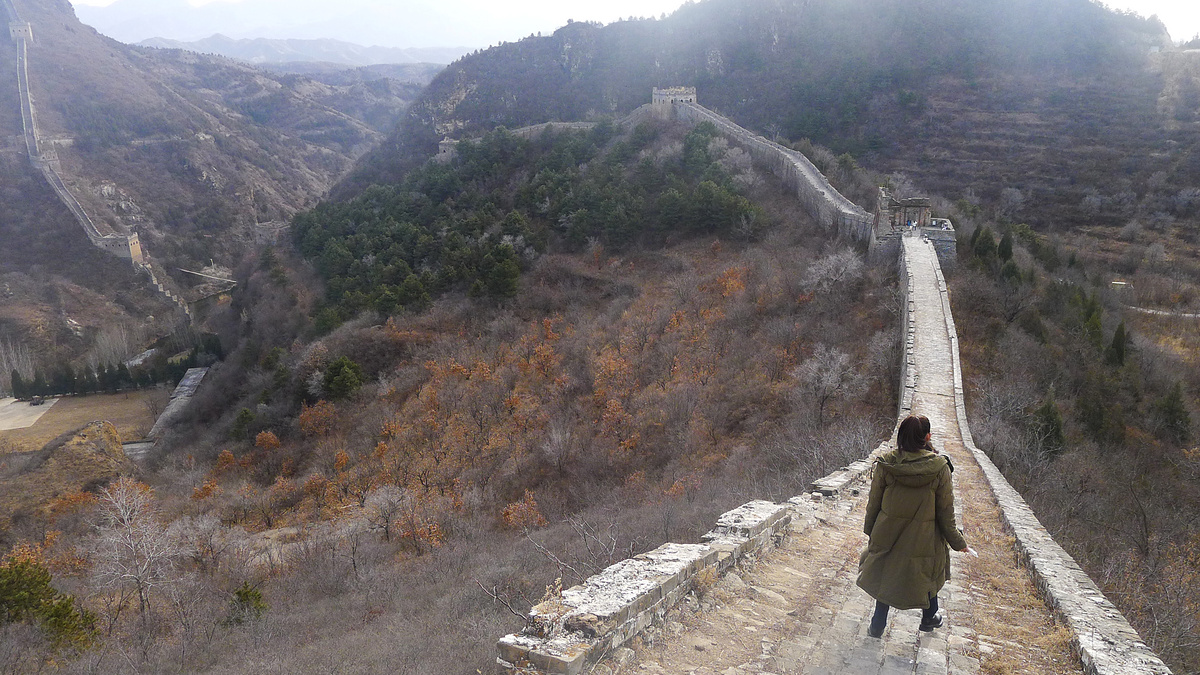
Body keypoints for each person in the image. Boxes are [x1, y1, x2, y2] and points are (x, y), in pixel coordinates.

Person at [857, 415, 972, 638]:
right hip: (924, 538)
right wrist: (959, 543)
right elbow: (946, 514)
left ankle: (878, 624)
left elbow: (874, 504)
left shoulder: (887, 463)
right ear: (928, 437)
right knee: (927, 573)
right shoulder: (940, 468)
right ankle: (929, 618)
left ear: (900, 436)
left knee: (887, 572)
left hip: (888, 533)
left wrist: (872, 533)